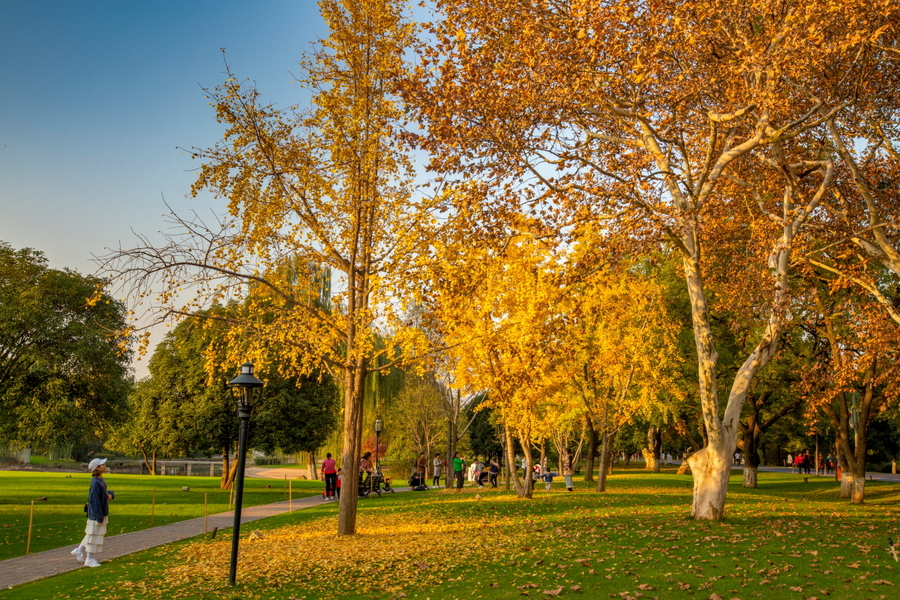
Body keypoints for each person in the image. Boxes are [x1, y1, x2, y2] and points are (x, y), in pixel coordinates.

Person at [71, 458, 115, 568]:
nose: (105, 466)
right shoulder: (96, 482)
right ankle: (89, 559)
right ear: (98, 468)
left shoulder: (100, 480)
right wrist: (99, 515)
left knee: (92, 534)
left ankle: (78, 550)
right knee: (94, 536)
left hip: (99, 512)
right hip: (96, 513)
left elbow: (103, 493)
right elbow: (94, 500)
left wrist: (110, 494)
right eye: (102, 465)